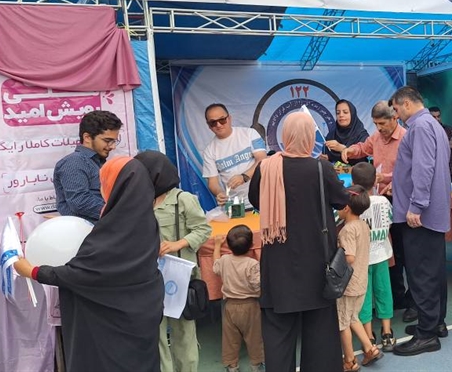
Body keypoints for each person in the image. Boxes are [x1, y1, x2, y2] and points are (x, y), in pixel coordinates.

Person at [14, 156, 164, 372]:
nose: (100, 188)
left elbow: (84, 274)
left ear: (115, 186)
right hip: (142, 314)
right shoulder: (143, 220)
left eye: (103, 182)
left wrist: (33, 271)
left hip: (109, 326)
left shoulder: (115, 229)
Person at [248, 111, 349, 372]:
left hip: (277, 263)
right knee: (320, 335)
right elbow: (341, 200)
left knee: (278, 335)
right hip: (317, 263)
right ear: (309, 137)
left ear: (285, 135)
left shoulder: (266, 168)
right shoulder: (321, 169)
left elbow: (255, 201)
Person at [135, 151, 212, 372]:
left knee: (184, 332)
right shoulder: (139, 201)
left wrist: (178, 244)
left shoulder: (183, 199)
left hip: (180, 276)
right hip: (150, 277)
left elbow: (203, 229)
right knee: (156, 333)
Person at [335, 101, 413, 320]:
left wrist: (387, 179)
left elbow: (410, 170)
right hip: (380, 199)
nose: (379, 128)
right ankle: (395, 297)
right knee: (388, 253)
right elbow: (363, 148)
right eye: (376, 124)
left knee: (404, 252)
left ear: (394, 118)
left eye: (382, 124)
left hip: (401, 200)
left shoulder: (406, 138)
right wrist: (349, 150)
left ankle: (413, 301)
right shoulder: (377, 137)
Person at [390, 87, 451, 356]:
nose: (396, 114)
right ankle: (435, 323)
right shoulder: (432, 124)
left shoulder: (419, 126)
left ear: (405, 104)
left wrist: (416, 205)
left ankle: (427, 334)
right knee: (433, 270)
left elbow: (423, 167)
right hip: (431, 212)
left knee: (422, 273)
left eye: (395, 109)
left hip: (420, 215)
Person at [337, 185, 384, 371]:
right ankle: (370, 348)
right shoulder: (364, 225)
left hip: (348, 284)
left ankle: (349, 360)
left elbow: (349, 257)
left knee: (342, 322)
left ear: (346, 208)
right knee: (353, 317)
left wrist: (335, 256)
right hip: (361, 280)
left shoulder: (347, 230)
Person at [351, 163, 397, 352]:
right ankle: (387, 332)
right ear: (375, 181)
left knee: (364, 296)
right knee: (384, 291)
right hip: (382, 255)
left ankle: (368, 335)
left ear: (353, 183)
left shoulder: (354, 204)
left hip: (361, 260)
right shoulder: (383, 201)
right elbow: (390, 221)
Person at [53, 110, 122, 223]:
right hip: (86, 231)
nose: (112, 146)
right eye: (107, 141)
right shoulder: (74, 162)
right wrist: (119, 213)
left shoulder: (99, 163)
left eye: (114, 141)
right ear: (87, 137)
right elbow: (79, 202)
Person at [213, 226, 265, 372]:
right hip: (250, 306)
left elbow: (215, 266)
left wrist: (217, 245)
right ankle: (256, 364)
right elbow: (257, 285)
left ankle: (232, 365)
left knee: (230, 338)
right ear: (251, 245)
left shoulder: (224, 260)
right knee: (255, 337)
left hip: (230, 306)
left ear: (228, 246)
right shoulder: (252, 264)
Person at [202, 103, 267, 207]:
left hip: (262, 198)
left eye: (222, 120)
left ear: (229, 118)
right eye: (213, 122)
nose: (218, 125)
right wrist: (219, 193)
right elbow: (212, 182)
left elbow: (262, 160)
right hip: (235, 205)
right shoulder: (209, 151)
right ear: (209, 126)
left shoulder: (250, 133)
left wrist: (244, 176)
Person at [323, 99, 369, 166]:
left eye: (345, 112)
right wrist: (326, 159)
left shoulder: (362, 135)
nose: (341, 115)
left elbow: (362, 159)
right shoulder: (331, 135)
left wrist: (342, 149)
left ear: (352, 114)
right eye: (338, 113)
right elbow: (329, 158)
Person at [429, 106, 452, 182]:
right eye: (434, 117)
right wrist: (448, 142)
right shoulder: (426, 131)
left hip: (450, 171)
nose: (437, 119)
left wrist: (436, 143)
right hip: (433, 172)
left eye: (438, 116)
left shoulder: (448, 129)